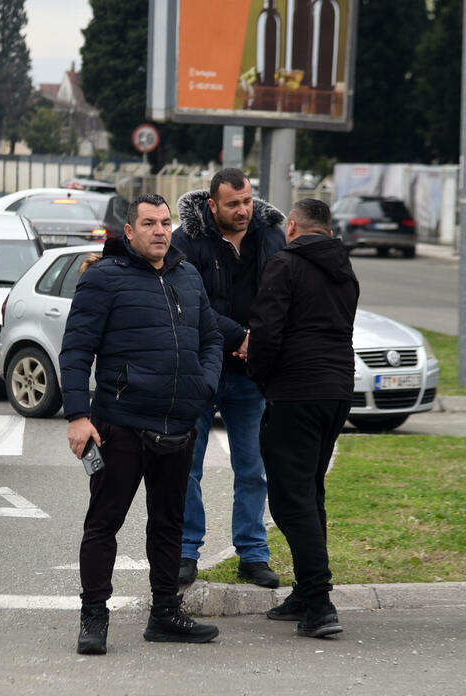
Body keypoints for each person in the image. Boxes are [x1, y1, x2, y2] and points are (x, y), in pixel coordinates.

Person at [60, 193, 223, 655]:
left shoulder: (187, 275)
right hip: (121, 426)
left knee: (169, 526)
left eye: (166, 223)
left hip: (178, 426)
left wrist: (204, 387)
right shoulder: (104, 278)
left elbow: (211, 337)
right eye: (149, 223)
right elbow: (76, 350)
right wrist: (78, 416)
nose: (160, 231)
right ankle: (94, 617)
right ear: (129, 231)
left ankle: (165, 613)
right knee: (103, 525)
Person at [246, 198, 359, 638]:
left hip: (295, 391)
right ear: (327, 229)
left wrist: (259, 375)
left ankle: (320, 604)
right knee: (310, 494)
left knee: (290, 501)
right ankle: (305, 593)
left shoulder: (285, 264)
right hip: (337, 392)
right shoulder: (344, 268)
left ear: (291, 226)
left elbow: (267, 331)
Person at [171, 168, 285, 589]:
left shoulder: (270, 237)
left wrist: (260, 341)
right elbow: (189, 302)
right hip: (199, 368)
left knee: (253, 469)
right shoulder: (187, 240)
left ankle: (253, 555)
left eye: (247, 201)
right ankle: (186, 551)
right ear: (212, 204)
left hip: (250, 374)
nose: (243, 210)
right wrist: (241, 337)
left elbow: (282, 297)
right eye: (233, 204)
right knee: (187, 468)